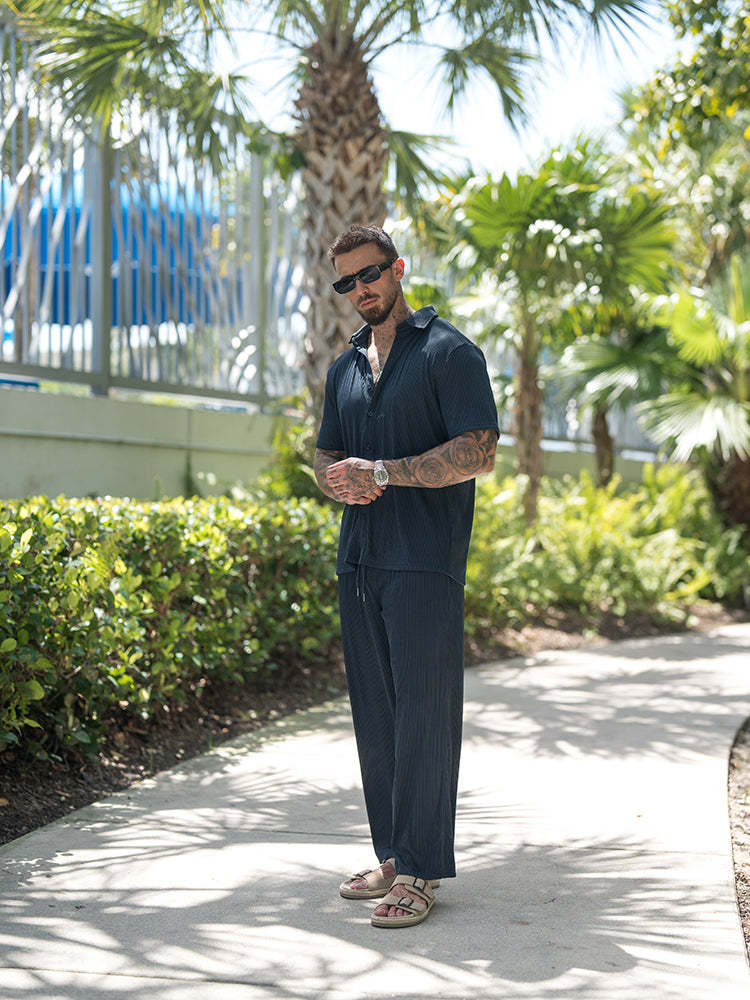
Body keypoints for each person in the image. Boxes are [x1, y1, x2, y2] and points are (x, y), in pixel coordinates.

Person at [314, 224, 499, 928]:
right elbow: (328, 453)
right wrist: (337, 480)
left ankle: (422, 869)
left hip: (425, 561)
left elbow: (478, 451)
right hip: (360, 560)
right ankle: (394, 856)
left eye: (370, 273)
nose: (360, 289)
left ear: (398, 269)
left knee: (424, 715)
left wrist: (385, 473)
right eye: (347, 281)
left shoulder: (449, 352)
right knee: (378, 717)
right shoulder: (345, 367)